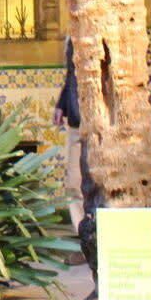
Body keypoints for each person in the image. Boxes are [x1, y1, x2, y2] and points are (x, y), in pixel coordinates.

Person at [53, 36, 85, 229]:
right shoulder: (72, 37)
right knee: (75, 182)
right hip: (76, 122)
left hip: (100, 124)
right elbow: (71, 74)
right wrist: (61, 105)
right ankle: (82, 231)